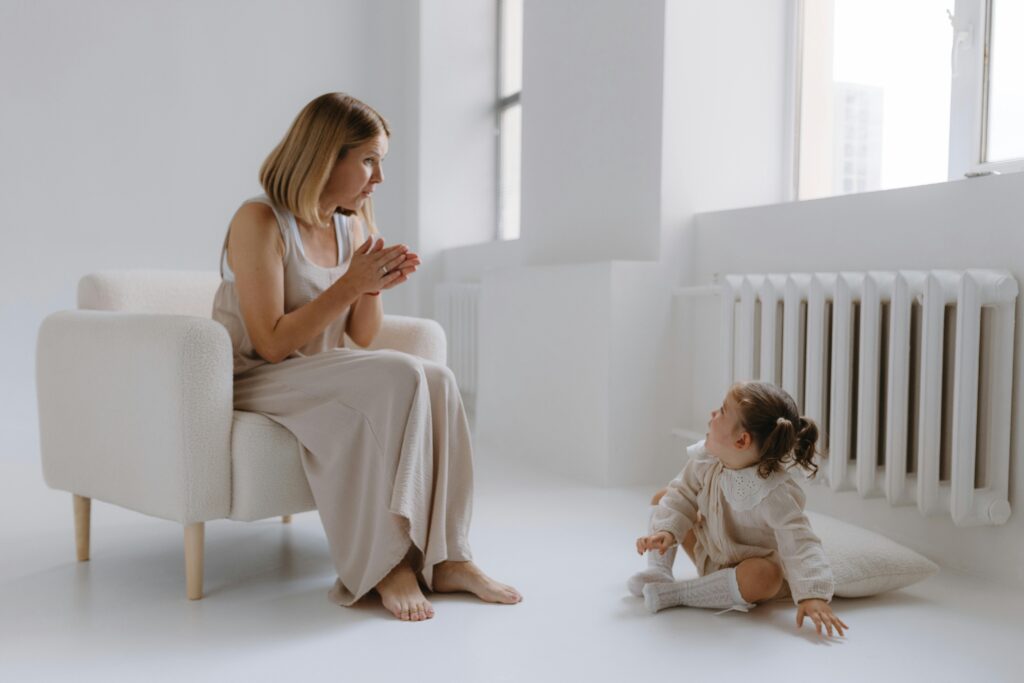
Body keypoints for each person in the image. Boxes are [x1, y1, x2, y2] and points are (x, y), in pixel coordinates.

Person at [211, 92, 521, 622]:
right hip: (257, 376)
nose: (377, 177)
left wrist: (373, 287)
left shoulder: (350, 225)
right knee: (400, 375)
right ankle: (386, 566)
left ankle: (449, 557)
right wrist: (350, 282)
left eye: (380, 162)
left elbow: (362, 336)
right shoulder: (259, 221)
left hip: (319, 371)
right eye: (369, 160)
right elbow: (269, 342)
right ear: (327, 155)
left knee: (439, 379)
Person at [629, 381, 848, 638]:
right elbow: (682, 495)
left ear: (741, 440)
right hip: (708, 552)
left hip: (744, 578)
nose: (713, 414)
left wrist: (812, 595)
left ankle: (677, 595)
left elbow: (800, 541)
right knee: (665, 496)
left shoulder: (773, 493)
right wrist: (666, 532)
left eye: (722, 411)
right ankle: (659, 571)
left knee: (768, 575)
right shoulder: (707, 459)